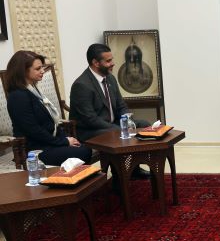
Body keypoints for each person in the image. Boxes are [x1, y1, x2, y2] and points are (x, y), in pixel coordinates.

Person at [69, 43, 150, 178]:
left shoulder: (110, 78)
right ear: (96, 63)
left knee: (143, 125)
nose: (113, 63)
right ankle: (119, 177)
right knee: (118, 134)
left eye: (111, 59)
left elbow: (121, 106)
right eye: (108, 61)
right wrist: (119, 129)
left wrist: (128, 122)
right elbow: (90, 119)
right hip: (90, 131)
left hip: (111, 125)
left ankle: (134, 168)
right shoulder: (81, 85)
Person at [6, 50, 92, 166]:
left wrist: (66, 139)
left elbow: (50, 123)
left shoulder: (34, 90)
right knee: (83, 152)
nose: (42, 71)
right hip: (35, 150)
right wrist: (63, 142)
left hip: (48, 143)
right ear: (23, 71)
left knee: (83, 148)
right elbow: (33, 130)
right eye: (38, 69)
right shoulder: (18, 96)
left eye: (42, 67)